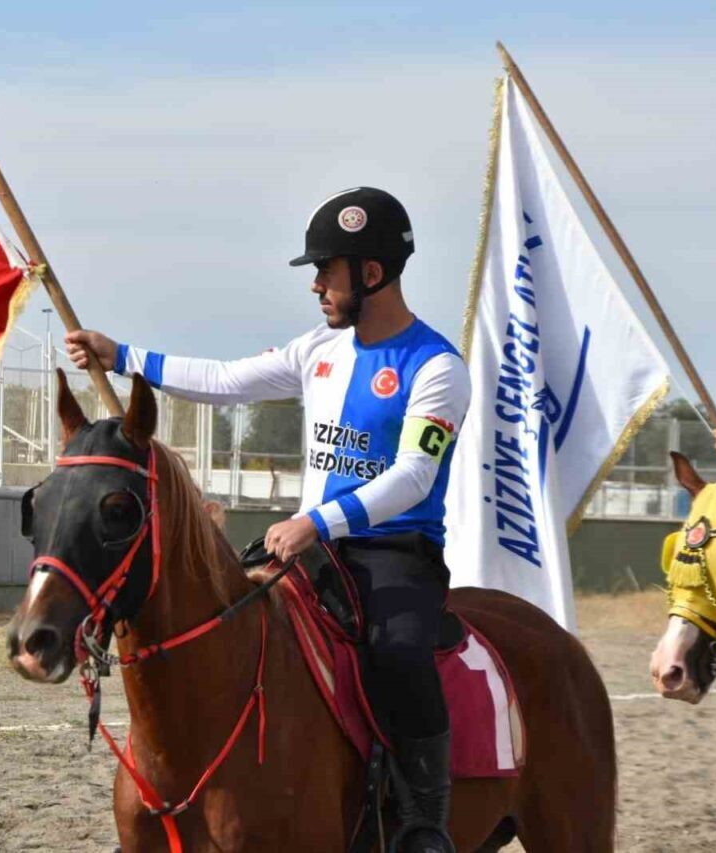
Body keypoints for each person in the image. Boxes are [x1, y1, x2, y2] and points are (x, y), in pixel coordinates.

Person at [66, 187, 469, 853]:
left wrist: (319, 521)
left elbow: (414, 475)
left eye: (326, 270)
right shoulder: (320, 350)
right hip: (309, 550)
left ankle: (425, 822)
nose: (315, 285)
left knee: (399, 653)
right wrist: (125, 356)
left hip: (393, 554)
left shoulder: (437, 367)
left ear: (371, 273)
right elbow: (225, 379)